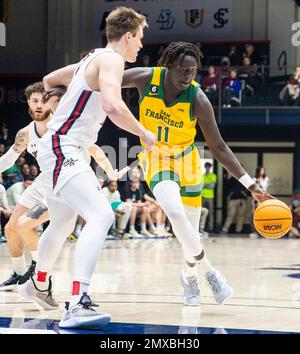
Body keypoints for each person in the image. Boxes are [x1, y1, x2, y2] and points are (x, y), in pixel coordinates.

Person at [18, 6, 155, 329]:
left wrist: (63, 102)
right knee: (102, 215)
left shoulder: (91, 58)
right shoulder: (111, 60)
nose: (141, 45)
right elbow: (112, 104)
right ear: (128, 36)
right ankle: (78, 302)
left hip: (60, 146)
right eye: (140, 38)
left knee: (63, 222)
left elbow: (50, 80)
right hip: (65, 147)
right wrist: (143, 133)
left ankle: (37, 282)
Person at [122, 41, 273, 306]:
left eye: (192, 71)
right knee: (175, 213)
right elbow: (104, 80)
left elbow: (219, 147)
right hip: (157, 159)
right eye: (182, 69)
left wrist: (251, 185)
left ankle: (190, 275)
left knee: (189, 230)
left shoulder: (198, 98)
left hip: (188, 161)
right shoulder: (146, 79)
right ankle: (210, 273)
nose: (187, 76)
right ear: (168, 65)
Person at [0, 82, 130, 292]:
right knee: (10, 227)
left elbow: (94, 150)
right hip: (43, 181)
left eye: (44, 100)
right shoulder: (25, 133)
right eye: (35, 101)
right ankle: (19, 274)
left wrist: (110, 171)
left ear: (52, 103)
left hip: (65, 180)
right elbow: (7, 161)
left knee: (25, 225)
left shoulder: (64, 127)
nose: (40, 105)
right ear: (29, 105)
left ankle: (39, 272)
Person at [202, 162, 217, 232]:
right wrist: (207, 184)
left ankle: (210, 228)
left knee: (210, 213)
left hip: (210, 197)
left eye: (208, 167)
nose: (207, 168)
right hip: (202, 197)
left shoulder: (213, 175)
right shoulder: (202, 176)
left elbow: (212, 186)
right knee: (202, 213)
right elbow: (200, 185)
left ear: (210, 167)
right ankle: (202, 227)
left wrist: (205, 184)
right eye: (206, 166)